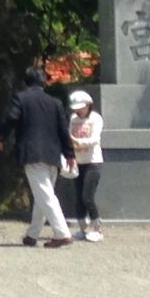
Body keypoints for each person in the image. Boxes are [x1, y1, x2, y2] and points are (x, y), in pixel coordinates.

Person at [0, 64, 76, 249]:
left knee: (45, 195)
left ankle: (62, 233)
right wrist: (69, 154)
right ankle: (32, 235)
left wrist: (0, 138)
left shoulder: (21, 98)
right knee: (43, 194)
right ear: (44, 82)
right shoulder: (55, 103)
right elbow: (64, 130)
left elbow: (10, 118)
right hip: (53, 154)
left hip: (31, 152)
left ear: (25, 82)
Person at [65, 88, 105, 241]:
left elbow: (94, 139)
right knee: (78, 197)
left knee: (87, 196)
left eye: (82, 107)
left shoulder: (96, 118)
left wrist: (77, 142)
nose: (79, 111)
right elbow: (68, 135)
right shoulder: (73, 119)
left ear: (88, 105)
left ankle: (97, 228)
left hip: (93, 161)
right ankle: (83, 229)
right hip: (78, 161)